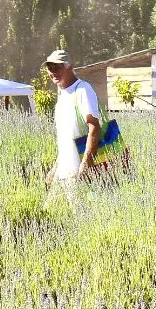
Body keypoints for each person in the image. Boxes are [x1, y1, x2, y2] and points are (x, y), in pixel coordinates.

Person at [44, 49, 104, 201]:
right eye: (50, 68)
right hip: (65, 169)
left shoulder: (83, 89)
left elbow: (94, 127)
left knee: (81, 214)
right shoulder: (62, 94)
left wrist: (85, 164)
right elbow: (66, 137)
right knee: (52, 212)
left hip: (80, 169)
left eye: (58, 67)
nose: (53, 72)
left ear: (70, 66)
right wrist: (56, 167)